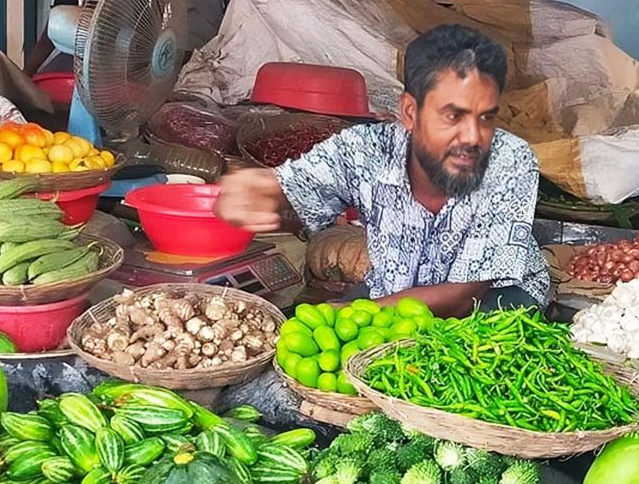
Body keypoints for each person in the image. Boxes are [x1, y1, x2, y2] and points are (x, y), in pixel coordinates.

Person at [216, 24, 550, 318]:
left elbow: (464, 297)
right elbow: (292, 184)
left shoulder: (510, 159)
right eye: (453, 116)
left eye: (486, 117)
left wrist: (355, 311)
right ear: (409, 111)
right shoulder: (365, 149)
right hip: (395, 290)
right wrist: (256, 189)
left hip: (497, 297)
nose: (474, 137)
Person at [23, 0, 113, 76]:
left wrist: (26, 74)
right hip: (82, 64)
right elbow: (48, 38)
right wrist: (26, 74)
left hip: (109, 69)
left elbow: (47, 40)